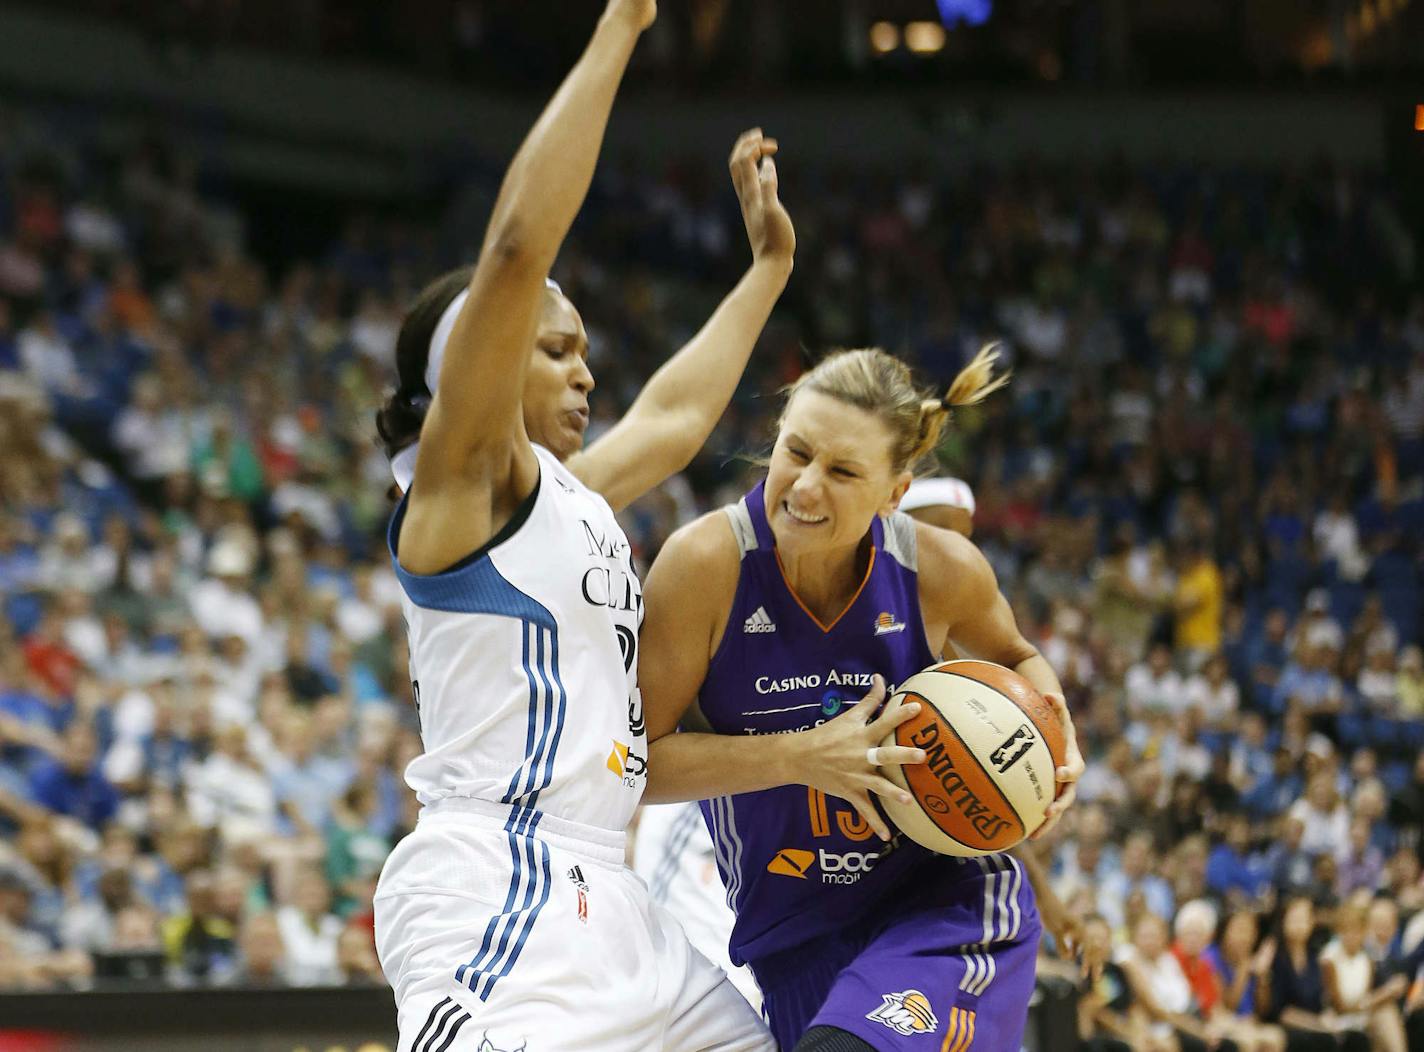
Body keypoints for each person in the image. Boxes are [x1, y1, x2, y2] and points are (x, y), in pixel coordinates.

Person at [370, 1, 794, 1048]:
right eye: (553, 347)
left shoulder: (571, 496)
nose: (584, 367)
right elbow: (515, 248)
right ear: (470, 368)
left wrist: (767, 272)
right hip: (496, 883)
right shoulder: (455, 489)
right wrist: (621, 26)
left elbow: (677, 416)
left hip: (614, 895)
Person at [638, 346, 1083, 1050]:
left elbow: (1020, 658)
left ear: (894, 492)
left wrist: (1059, 737)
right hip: (793, 934)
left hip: (941, 906)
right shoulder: (704, 567)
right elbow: (637, 769)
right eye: (796, 452)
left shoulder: (938, 570)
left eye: (843, 472)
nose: (805, 487)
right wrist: (803, 756)